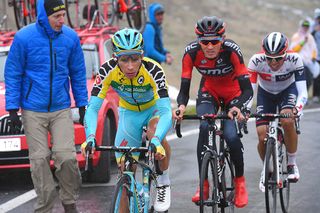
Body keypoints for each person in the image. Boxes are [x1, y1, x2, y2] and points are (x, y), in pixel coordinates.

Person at [4, 0, 88, 212]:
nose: (62, 20)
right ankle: (45, 206)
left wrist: (82, 104)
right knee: (40, 160)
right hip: (32, 109)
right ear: (44, 17)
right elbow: (13, 73)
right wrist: (12, 109)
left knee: (67, 157)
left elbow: (78, 73)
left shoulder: (70, 38)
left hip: (61, 108)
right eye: (56, 17)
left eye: (63, 15)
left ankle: (69, 201)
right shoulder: (24, 38)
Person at [81, 28, 172, 212]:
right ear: (115, 57)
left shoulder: (153, 69)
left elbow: (166, 112)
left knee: (155, 134)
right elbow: (92, 108)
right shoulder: (107, 70)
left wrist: (155, 141)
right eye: (124, 59)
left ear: (142, 56)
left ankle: (163, 181)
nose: (130, 66)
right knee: (125, 176)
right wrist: (90, 136)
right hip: (129, 114)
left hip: (153, 110)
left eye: (135, 59)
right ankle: (133, 191)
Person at [173, 16, 252, 208]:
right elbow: (184, 89)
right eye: (204, 42)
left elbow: (248, 90)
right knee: (204, 126)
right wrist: (181, 107)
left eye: (214, 41)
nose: (209, 46)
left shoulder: (232, 51)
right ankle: (204, 185)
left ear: (222, 40)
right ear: (198, 41)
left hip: (235, 94)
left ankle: (240, 183)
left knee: (232, 137)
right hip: (210, 92)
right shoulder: (191, 53)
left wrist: (238, 107)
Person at [247, 32, 308, 192]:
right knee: (261, 134)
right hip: (265, 94)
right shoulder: (256, 61)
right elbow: (249, 92)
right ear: (264, 55)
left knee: (287, 121)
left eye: (278, 58)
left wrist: (297, 109)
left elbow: (303, 92)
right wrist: (245, 109)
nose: (273, 62)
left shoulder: (295, 59)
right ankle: (267, 168)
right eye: (269, 58)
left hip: (288, 91)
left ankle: (292, 163)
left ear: (285, 53)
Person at [290, 20, 319, 92]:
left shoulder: (310, 37)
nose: (305, 28)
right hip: (300, 62)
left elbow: (314, 48)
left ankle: (304, 96)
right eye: (304, 26)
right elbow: (293, 50)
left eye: (307, 27)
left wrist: (314, 57)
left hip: (309, 62)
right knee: (304, 79)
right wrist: (303, 42)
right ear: (301, 26)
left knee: (309, 80)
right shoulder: (296, 36)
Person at [311, 8, 320, 102]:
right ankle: (315, 96)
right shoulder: (313, 26)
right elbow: (308, 37)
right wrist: (314, 31)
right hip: (316, 56)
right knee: (316, 76)